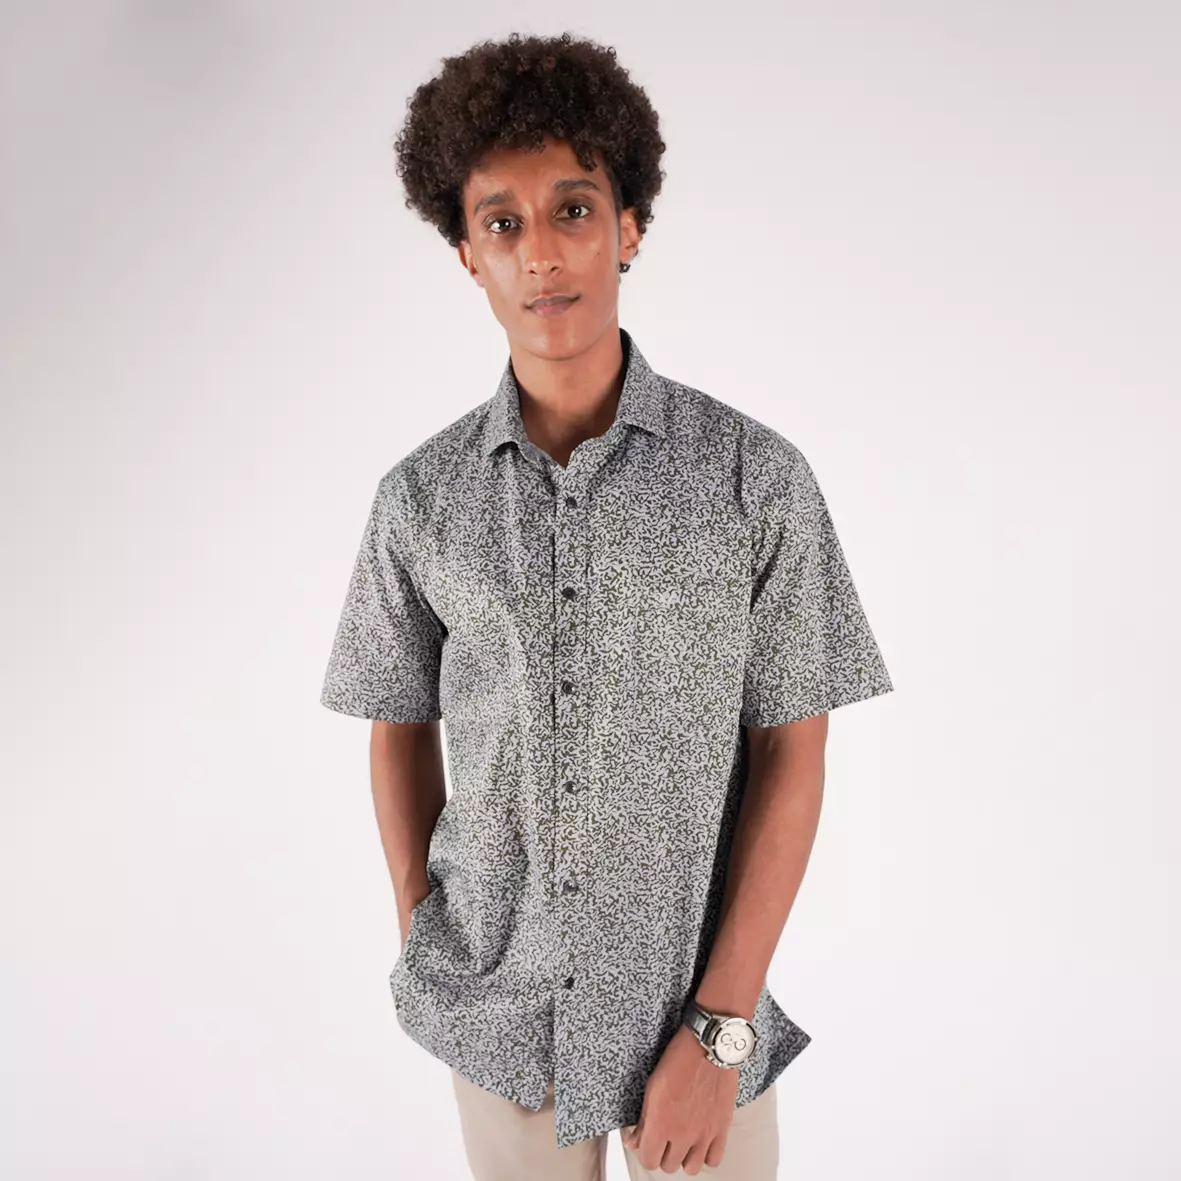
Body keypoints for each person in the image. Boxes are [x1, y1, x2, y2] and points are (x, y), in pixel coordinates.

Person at [320, 30, 894, 1181]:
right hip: (500, 1022)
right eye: (502, 223)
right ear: (466, 254)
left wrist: (719, 1027)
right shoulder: (417, 500)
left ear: (628, 226)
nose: (540, 253)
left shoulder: (754, 478)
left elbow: (792, 750)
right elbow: (397, 723)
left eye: (572, 210)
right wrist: (427, 931)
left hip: (698, 1015)